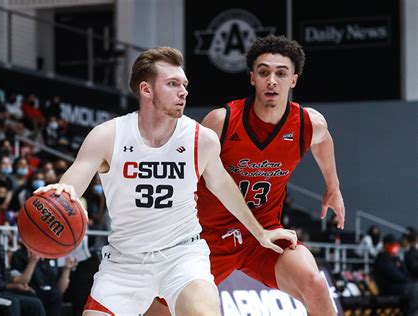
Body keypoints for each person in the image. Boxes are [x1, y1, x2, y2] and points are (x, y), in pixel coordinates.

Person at [35, 46, 297, 316]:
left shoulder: (200, 138)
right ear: (146, 90)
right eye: (172, 84)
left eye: (184, 84)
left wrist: (260, 232)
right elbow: (69, 190)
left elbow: (224, 187)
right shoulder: (108, 136)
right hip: (125, 262)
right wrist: (60, 195)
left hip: (182, 255)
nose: (183, 91)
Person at [147, 35, 345, 316]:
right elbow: (181, 173)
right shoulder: (222, 121)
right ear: (253, 78)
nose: (272, 80)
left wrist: (332, 186)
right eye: (264, 72)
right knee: (155, 310)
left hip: (264, 237)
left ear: (294, 80)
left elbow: (323, 140)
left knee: (314, 282)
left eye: (281, 73)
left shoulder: (308, 124)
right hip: (209, 240)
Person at [373, 234, 418, 315]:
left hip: (400, 287)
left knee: (414, 286)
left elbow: (405, 273)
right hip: (388, 289)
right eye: (393, 244)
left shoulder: (395, 258)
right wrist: (408, 281)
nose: (396, 246)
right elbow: (396, 276)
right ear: (386, 245)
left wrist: (398, 260)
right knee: (414, 288)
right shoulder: (382, 258)